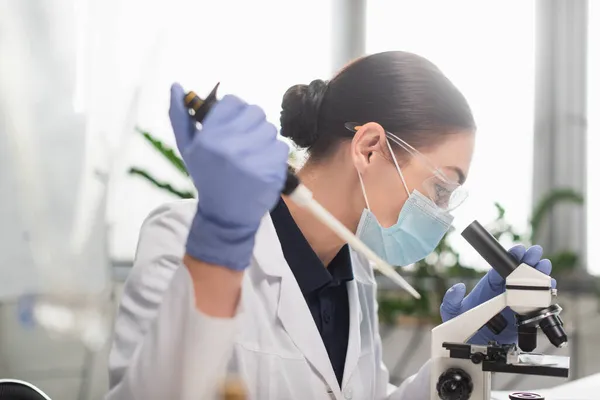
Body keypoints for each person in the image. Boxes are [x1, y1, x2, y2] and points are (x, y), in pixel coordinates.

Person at [105, 51, 554, 400]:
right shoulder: (185, 235)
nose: (442, 214)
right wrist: (217, 245)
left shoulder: (353, 271)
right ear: (370, 148)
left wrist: (467, 347)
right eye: (441, 189)